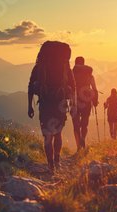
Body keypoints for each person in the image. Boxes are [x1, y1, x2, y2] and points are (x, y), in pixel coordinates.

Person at [28, 41, 76, 173]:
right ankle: (57, 161)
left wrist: (29, 106)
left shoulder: (39, 67)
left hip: (45, 103)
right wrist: (73, 105)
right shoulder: (66, 67)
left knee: (47, 135)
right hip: (60, 103)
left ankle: (50, 165)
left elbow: (30, 87)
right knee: (58, 133)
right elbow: (73, 86)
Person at [71, 57, 98, 154]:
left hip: (75, 101)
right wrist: (95, 101)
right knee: (85, 123)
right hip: (86, 101)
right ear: (84, 63)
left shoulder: (72, 74)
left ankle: (78, 145)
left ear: (75, 63)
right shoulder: (89, 75)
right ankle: (83, 139)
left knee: (76, 125)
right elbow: (94, 89)